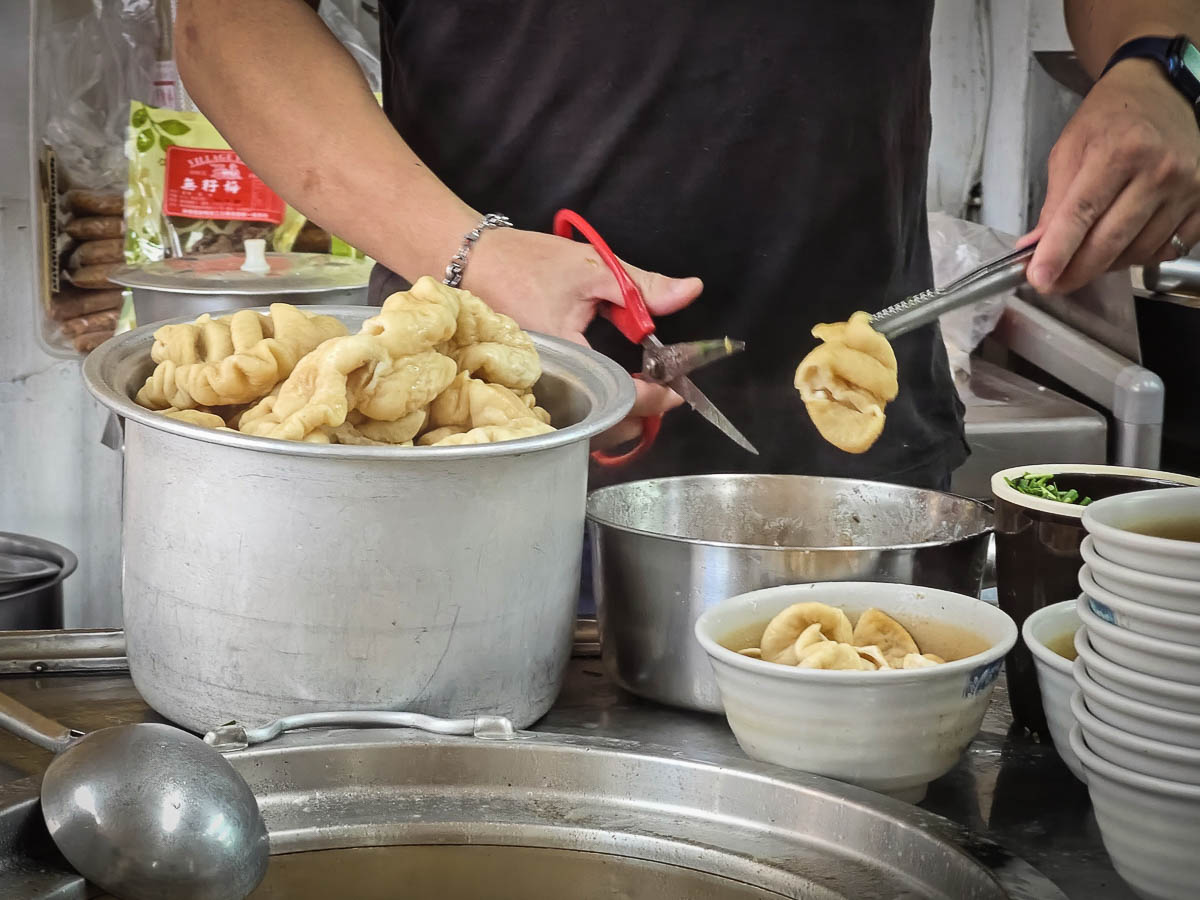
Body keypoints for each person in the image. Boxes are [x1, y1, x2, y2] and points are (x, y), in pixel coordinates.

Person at [176, 1, 1200, 491]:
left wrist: (1160, 64)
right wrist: (477, 257)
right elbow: (226, 23)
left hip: (849, 463)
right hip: (478, 458)